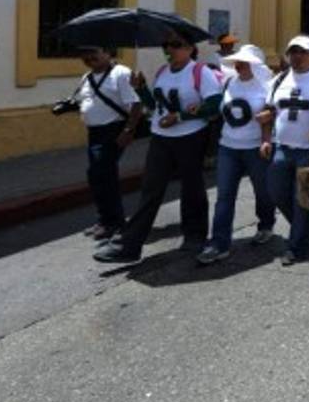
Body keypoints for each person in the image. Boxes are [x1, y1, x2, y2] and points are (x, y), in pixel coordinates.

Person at [94, 31, 223, 263]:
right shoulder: (163, 72)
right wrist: (142, 89)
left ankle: (195, 236)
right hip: (161, 136)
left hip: (190, 136)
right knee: (150, 190)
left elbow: (214, 106)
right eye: (166, 45)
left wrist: (180, 117)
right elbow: (156, 107)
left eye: (176, 45)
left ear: (190, 48)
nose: (170, 50)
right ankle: (129, 245)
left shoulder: (200, 72)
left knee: (191, 188)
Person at [198, 44, 277, 264]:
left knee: (262, 191)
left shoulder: (266, 86)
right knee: (224, 196)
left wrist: (268, 119)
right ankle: (219, 243)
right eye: (238, 62)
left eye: (245, 62)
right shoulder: (229, 83)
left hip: (255, 147)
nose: (240, 65)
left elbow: (276, 111)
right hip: (228, 146)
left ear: (255, 64)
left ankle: (266, 224)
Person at [261, 36, 309, 266]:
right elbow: (269, 111)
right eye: (293, 52)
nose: (297, 56)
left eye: (302, 52)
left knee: (301, 201)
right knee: (276, 192)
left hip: (308, 150)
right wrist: (266, 139)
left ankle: (296, 246)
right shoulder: (278, 80)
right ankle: (307, 224)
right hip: (282, 147)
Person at [74, 45, 143, 241]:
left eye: (93, 52)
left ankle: (113, 222)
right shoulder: (87, 77)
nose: (88, 57)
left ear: (107, 52)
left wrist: (128, 130)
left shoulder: (121, 73)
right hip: (94, 133)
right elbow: (86, 101)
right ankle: (106, 220)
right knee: (98, 175)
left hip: (113, 131)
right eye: (84, 53)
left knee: (102, 174)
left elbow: (136, 104)